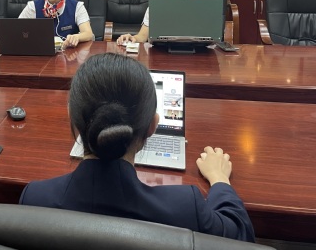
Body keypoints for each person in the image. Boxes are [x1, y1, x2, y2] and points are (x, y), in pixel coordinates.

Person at [20, 53, 255, 242]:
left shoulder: (34, 198)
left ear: (71, 117)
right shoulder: (186, 207)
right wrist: (219, 178)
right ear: (153, 126)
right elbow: (240, 234)